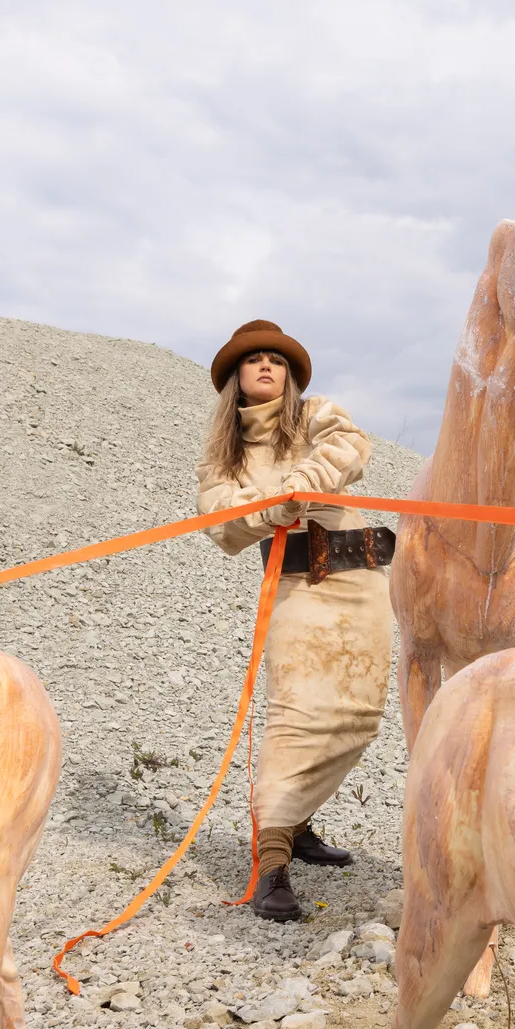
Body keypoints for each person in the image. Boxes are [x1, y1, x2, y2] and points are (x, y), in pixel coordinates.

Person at [196, 319, 394, 922]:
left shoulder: (317, 416)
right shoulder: (223, 460)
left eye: (276, 361)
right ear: (236, 378)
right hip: (296, 590)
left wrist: (308, 479)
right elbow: (222, 525)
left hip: (360, 583)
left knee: (359, 718)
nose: (266, 367)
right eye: (253, 360)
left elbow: (351, 445)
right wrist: (273, 506)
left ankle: (300, 821)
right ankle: (273, 860)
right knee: (296, 715)